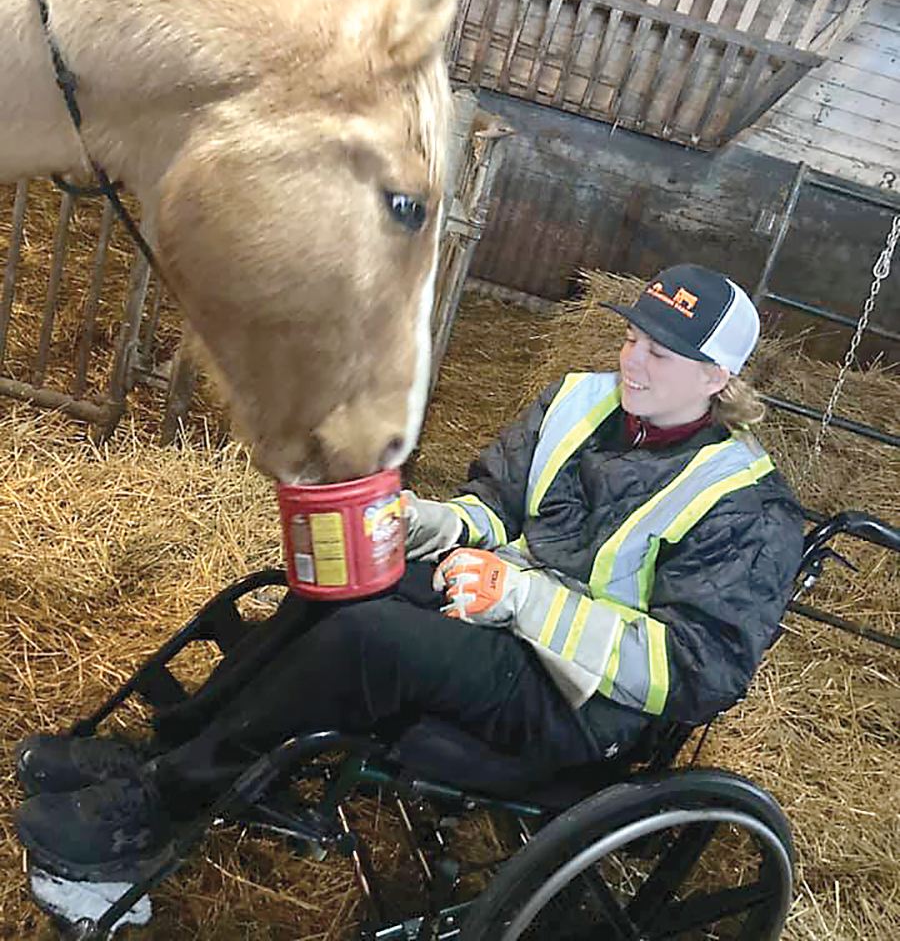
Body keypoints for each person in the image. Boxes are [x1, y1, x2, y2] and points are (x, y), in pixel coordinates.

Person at [15, 263, 805, 885]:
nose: (632, 359)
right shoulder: (581, 402)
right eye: (632, 337)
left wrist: (525, 601)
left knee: (372, 640)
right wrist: (426, 524)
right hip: (497, 613)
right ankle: (171, 746)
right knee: (347, 577)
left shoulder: (744, 503)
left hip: (582, 700)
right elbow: (498, 507)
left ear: (716, 378)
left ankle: (161, 807)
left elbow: (700, 672)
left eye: (659, 353)